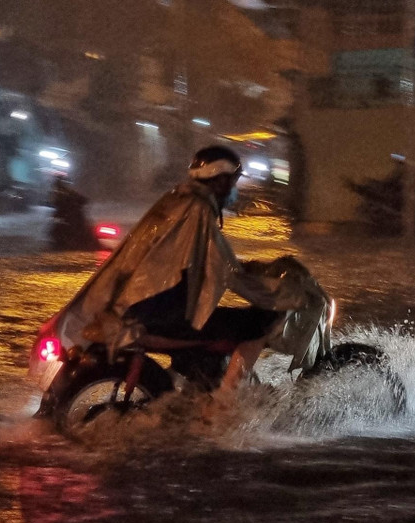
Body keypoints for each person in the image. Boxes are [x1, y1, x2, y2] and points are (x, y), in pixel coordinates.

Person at [54, 145, 288, 404]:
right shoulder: (198, 210)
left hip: (136, 308)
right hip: (160, 316)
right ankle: (224, 406)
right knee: (258, 322)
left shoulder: (178, 199)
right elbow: (227, 271)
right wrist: (276, 294)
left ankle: (193, 391)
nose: (235, 190)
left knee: (213, 331)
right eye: (233, 182)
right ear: (220, 181)